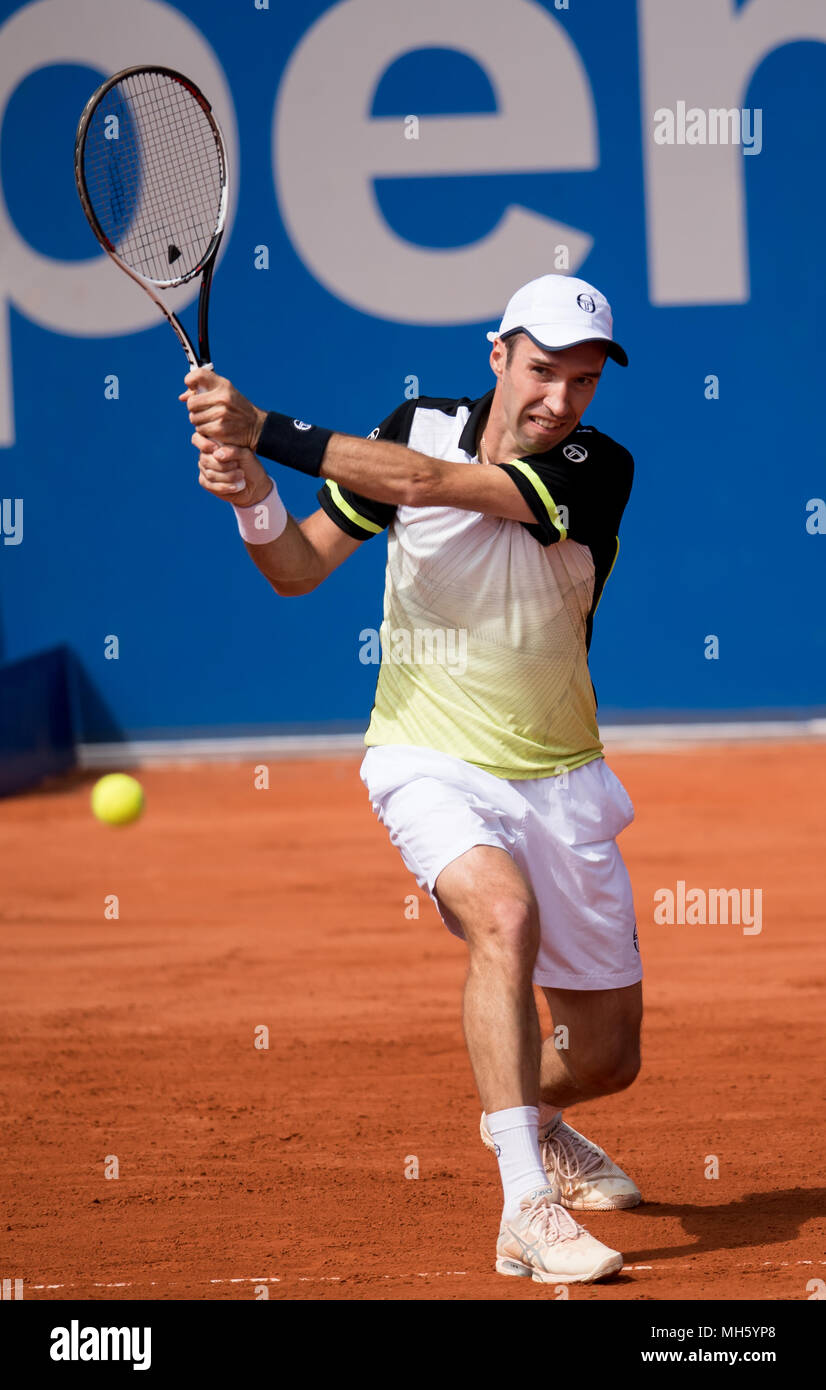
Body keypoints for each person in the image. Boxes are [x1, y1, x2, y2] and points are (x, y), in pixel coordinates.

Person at [182, 274, 642, 1286]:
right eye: (540, 371)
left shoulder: (593, 466)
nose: (558, 400)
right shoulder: (415, 425)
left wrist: (264, 429)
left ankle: (531, 1113)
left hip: (560, 776)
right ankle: (524, 1201)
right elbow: (299, 568)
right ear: (497, 356)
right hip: (425, 757)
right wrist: (255, 496)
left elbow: (432, 488)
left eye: (581, 380)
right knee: (502, 921)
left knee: (609, 1054)